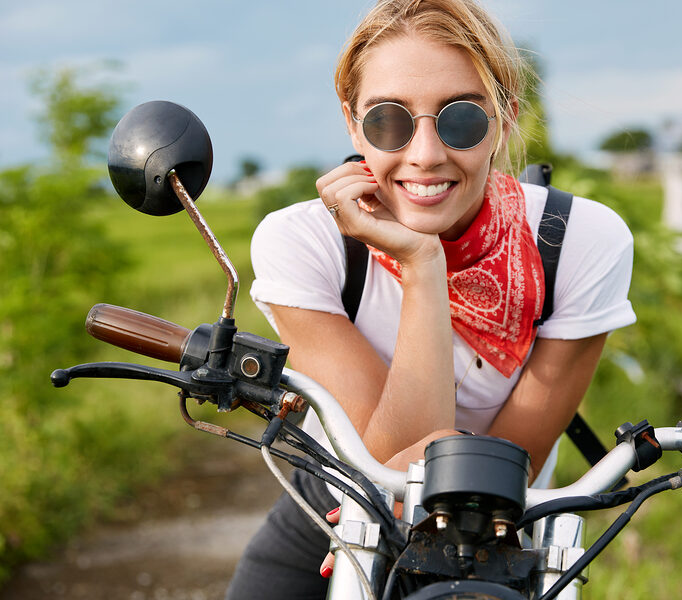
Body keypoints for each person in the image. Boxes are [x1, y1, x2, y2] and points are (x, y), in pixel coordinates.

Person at [226, 0, 636, 598]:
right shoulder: (304, 242)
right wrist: (425, 264)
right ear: (352, 123)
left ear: (505, 118)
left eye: (460, 119)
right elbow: (387, 468)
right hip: (334, 513)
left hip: (498, 531)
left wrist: (420, 260)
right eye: (388, 121)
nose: (424, 154)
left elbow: (487, 474)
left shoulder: (576, 242)